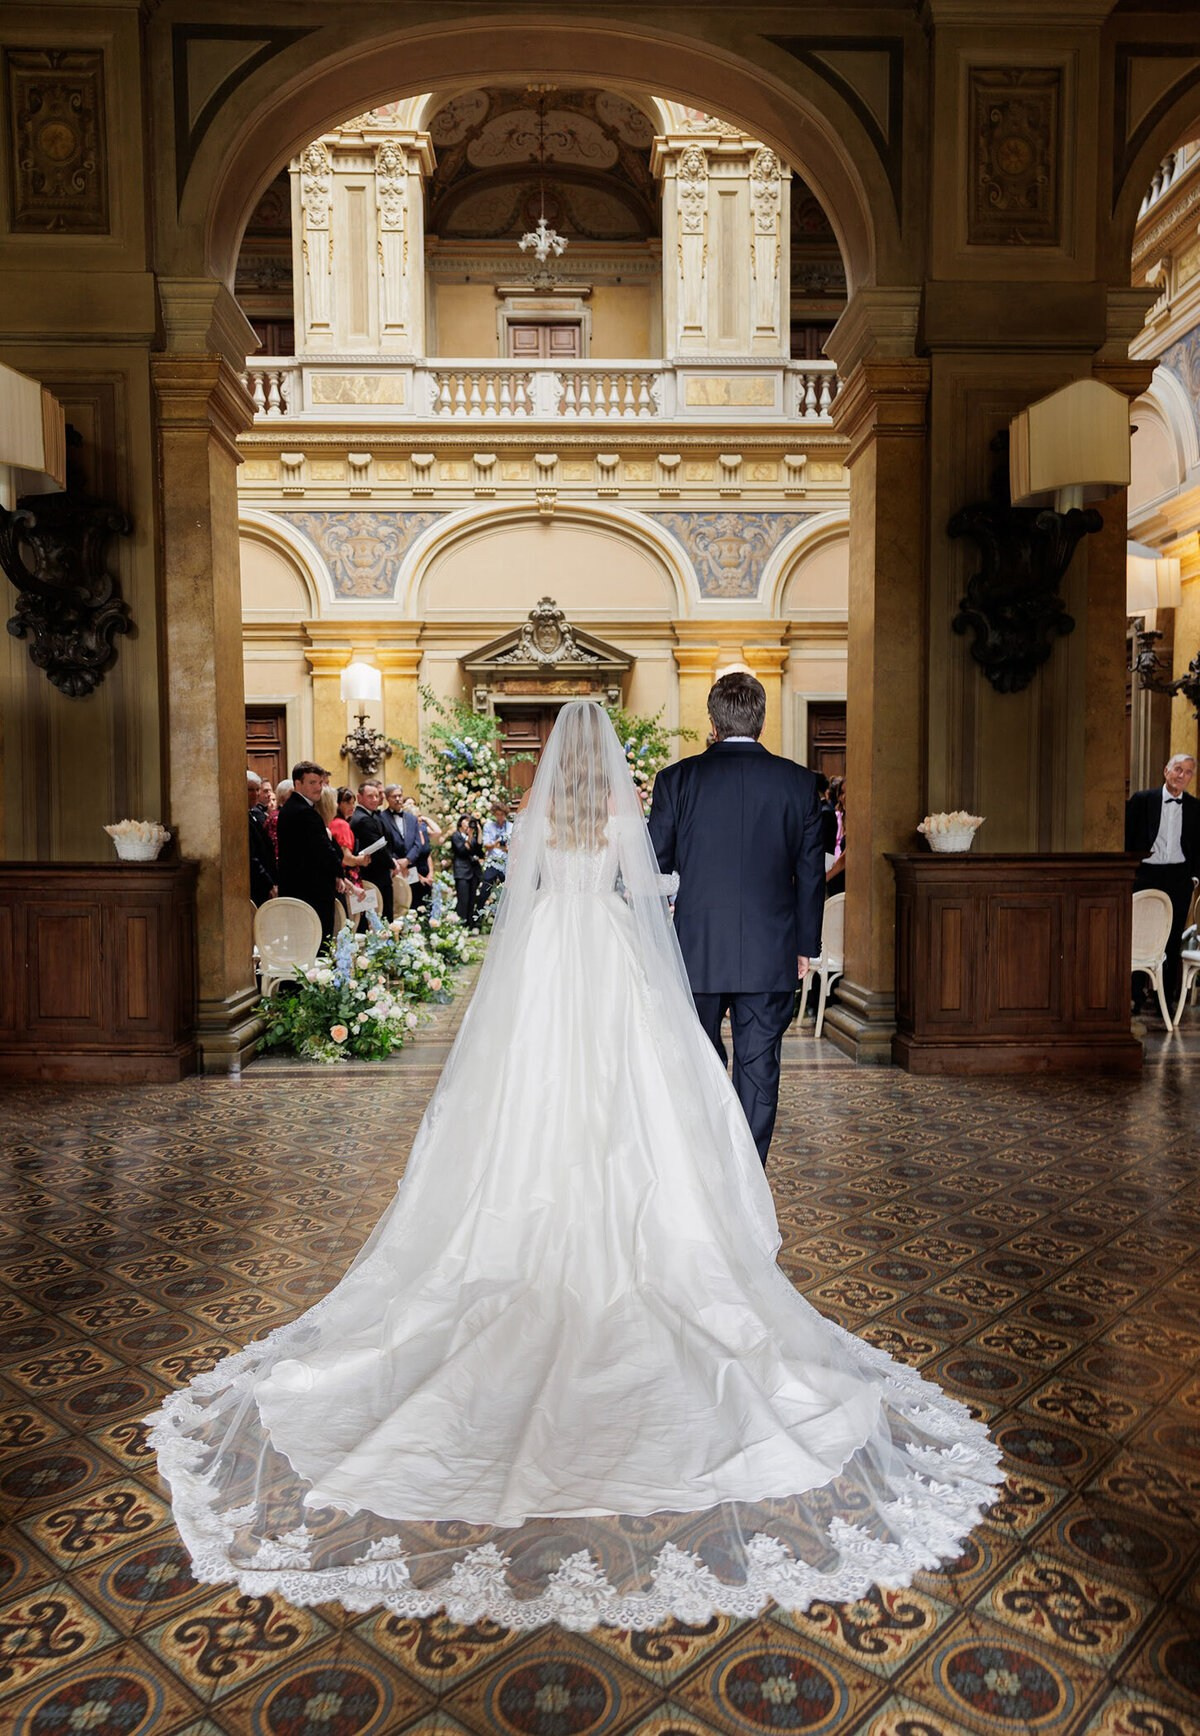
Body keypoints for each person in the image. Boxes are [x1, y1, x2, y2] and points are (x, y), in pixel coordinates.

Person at [147, 702, 1000, 1633]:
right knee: (642, 1100)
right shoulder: (627, 818)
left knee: (533, 1096)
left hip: (550, 968)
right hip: (616, 963)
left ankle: (529, 1226)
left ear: (554, 764)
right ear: (609, 771)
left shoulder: (537, 823)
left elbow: (520, 907)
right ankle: (676, 1217)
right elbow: (647, 895)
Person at [649, 672, 824, 1167]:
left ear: (713, 722)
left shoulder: (676, 780)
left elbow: (655, 866)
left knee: (698, 1065)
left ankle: (704, 1174)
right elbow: (810, 875)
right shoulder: (799, 783)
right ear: (762, 720)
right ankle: (747, 1176)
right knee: (759, 1070)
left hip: (696, 951)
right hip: (770, 952)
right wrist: (803, 947)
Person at [1126, 753, 1200, 1010]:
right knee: (1138, 934)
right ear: (1165, 771)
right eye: (1178, 769)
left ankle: (1163, 1000)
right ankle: (1134, 996)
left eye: (1188, 772)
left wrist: (1193, 877)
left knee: (1171, 937)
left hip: (1178, 877)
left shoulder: (1194, 807)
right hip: (1146, 873)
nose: (1182, 775)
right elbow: (1127, 837)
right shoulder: (1142, 800)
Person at [275, 761, 343, 943]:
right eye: (312, 783)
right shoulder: (304, 813)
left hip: (299, 889)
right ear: (298, 784)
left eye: (320, 783)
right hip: (310, 891)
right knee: (316, 944)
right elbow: (323, 851)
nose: (318, 788)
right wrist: (338, 871)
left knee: (303, 944)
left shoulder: (293, 808)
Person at [350, 780, 400, 922]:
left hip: (379, 873)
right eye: (370, 796)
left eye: (376, 796)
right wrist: (392, 864)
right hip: (374, 874)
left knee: (383, 915)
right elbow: (378, 848)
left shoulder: (373, 815)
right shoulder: (363, 819)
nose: (374, 799)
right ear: (359, 798)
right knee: (379, 916)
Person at [403, 796, 440, 909]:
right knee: (415, 907)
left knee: (427, 907)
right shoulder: (406, 836)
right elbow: (408, 861)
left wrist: (430, 874)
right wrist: (421, 878)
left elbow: (428, 854)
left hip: (426, 875)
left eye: (420, 816)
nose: (420, 819)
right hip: (412, 876)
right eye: (417, 817)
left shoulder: (422, 830)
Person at [476, 799, 512, 914]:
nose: (499, 817)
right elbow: (486, 845)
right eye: (497, 815)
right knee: (485, 888)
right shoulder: (488, 826)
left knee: (508, 891)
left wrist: (505, 848)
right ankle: (478, 916)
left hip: (506, 861)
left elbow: (513, 845)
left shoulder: (511, 826)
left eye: (501, 814)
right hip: (493, 861)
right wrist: (495, 844)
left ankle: (507, 918)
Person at [247, 770, 276, 907]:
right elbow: (252, 856)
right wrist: (268, 883)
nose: (255, 794)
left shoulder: (253, 814)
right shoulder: (243, 818)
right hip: (256, 884)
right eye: (250, 790)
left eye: (257, 789)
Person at [450, 811, 483, 926]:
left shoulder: (472, 837)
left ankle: (470, 924)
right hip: (462, 871)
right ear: (460, 823)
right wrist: (469, 836)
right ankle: (461, 924)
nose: (469, 824)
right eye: (466, 821)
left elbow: (479, 849)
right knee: (463, 899)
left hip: (473, 872)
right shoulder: (456, 836)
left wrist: (478, 831)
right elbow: (462, 851)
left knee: (471, 899)